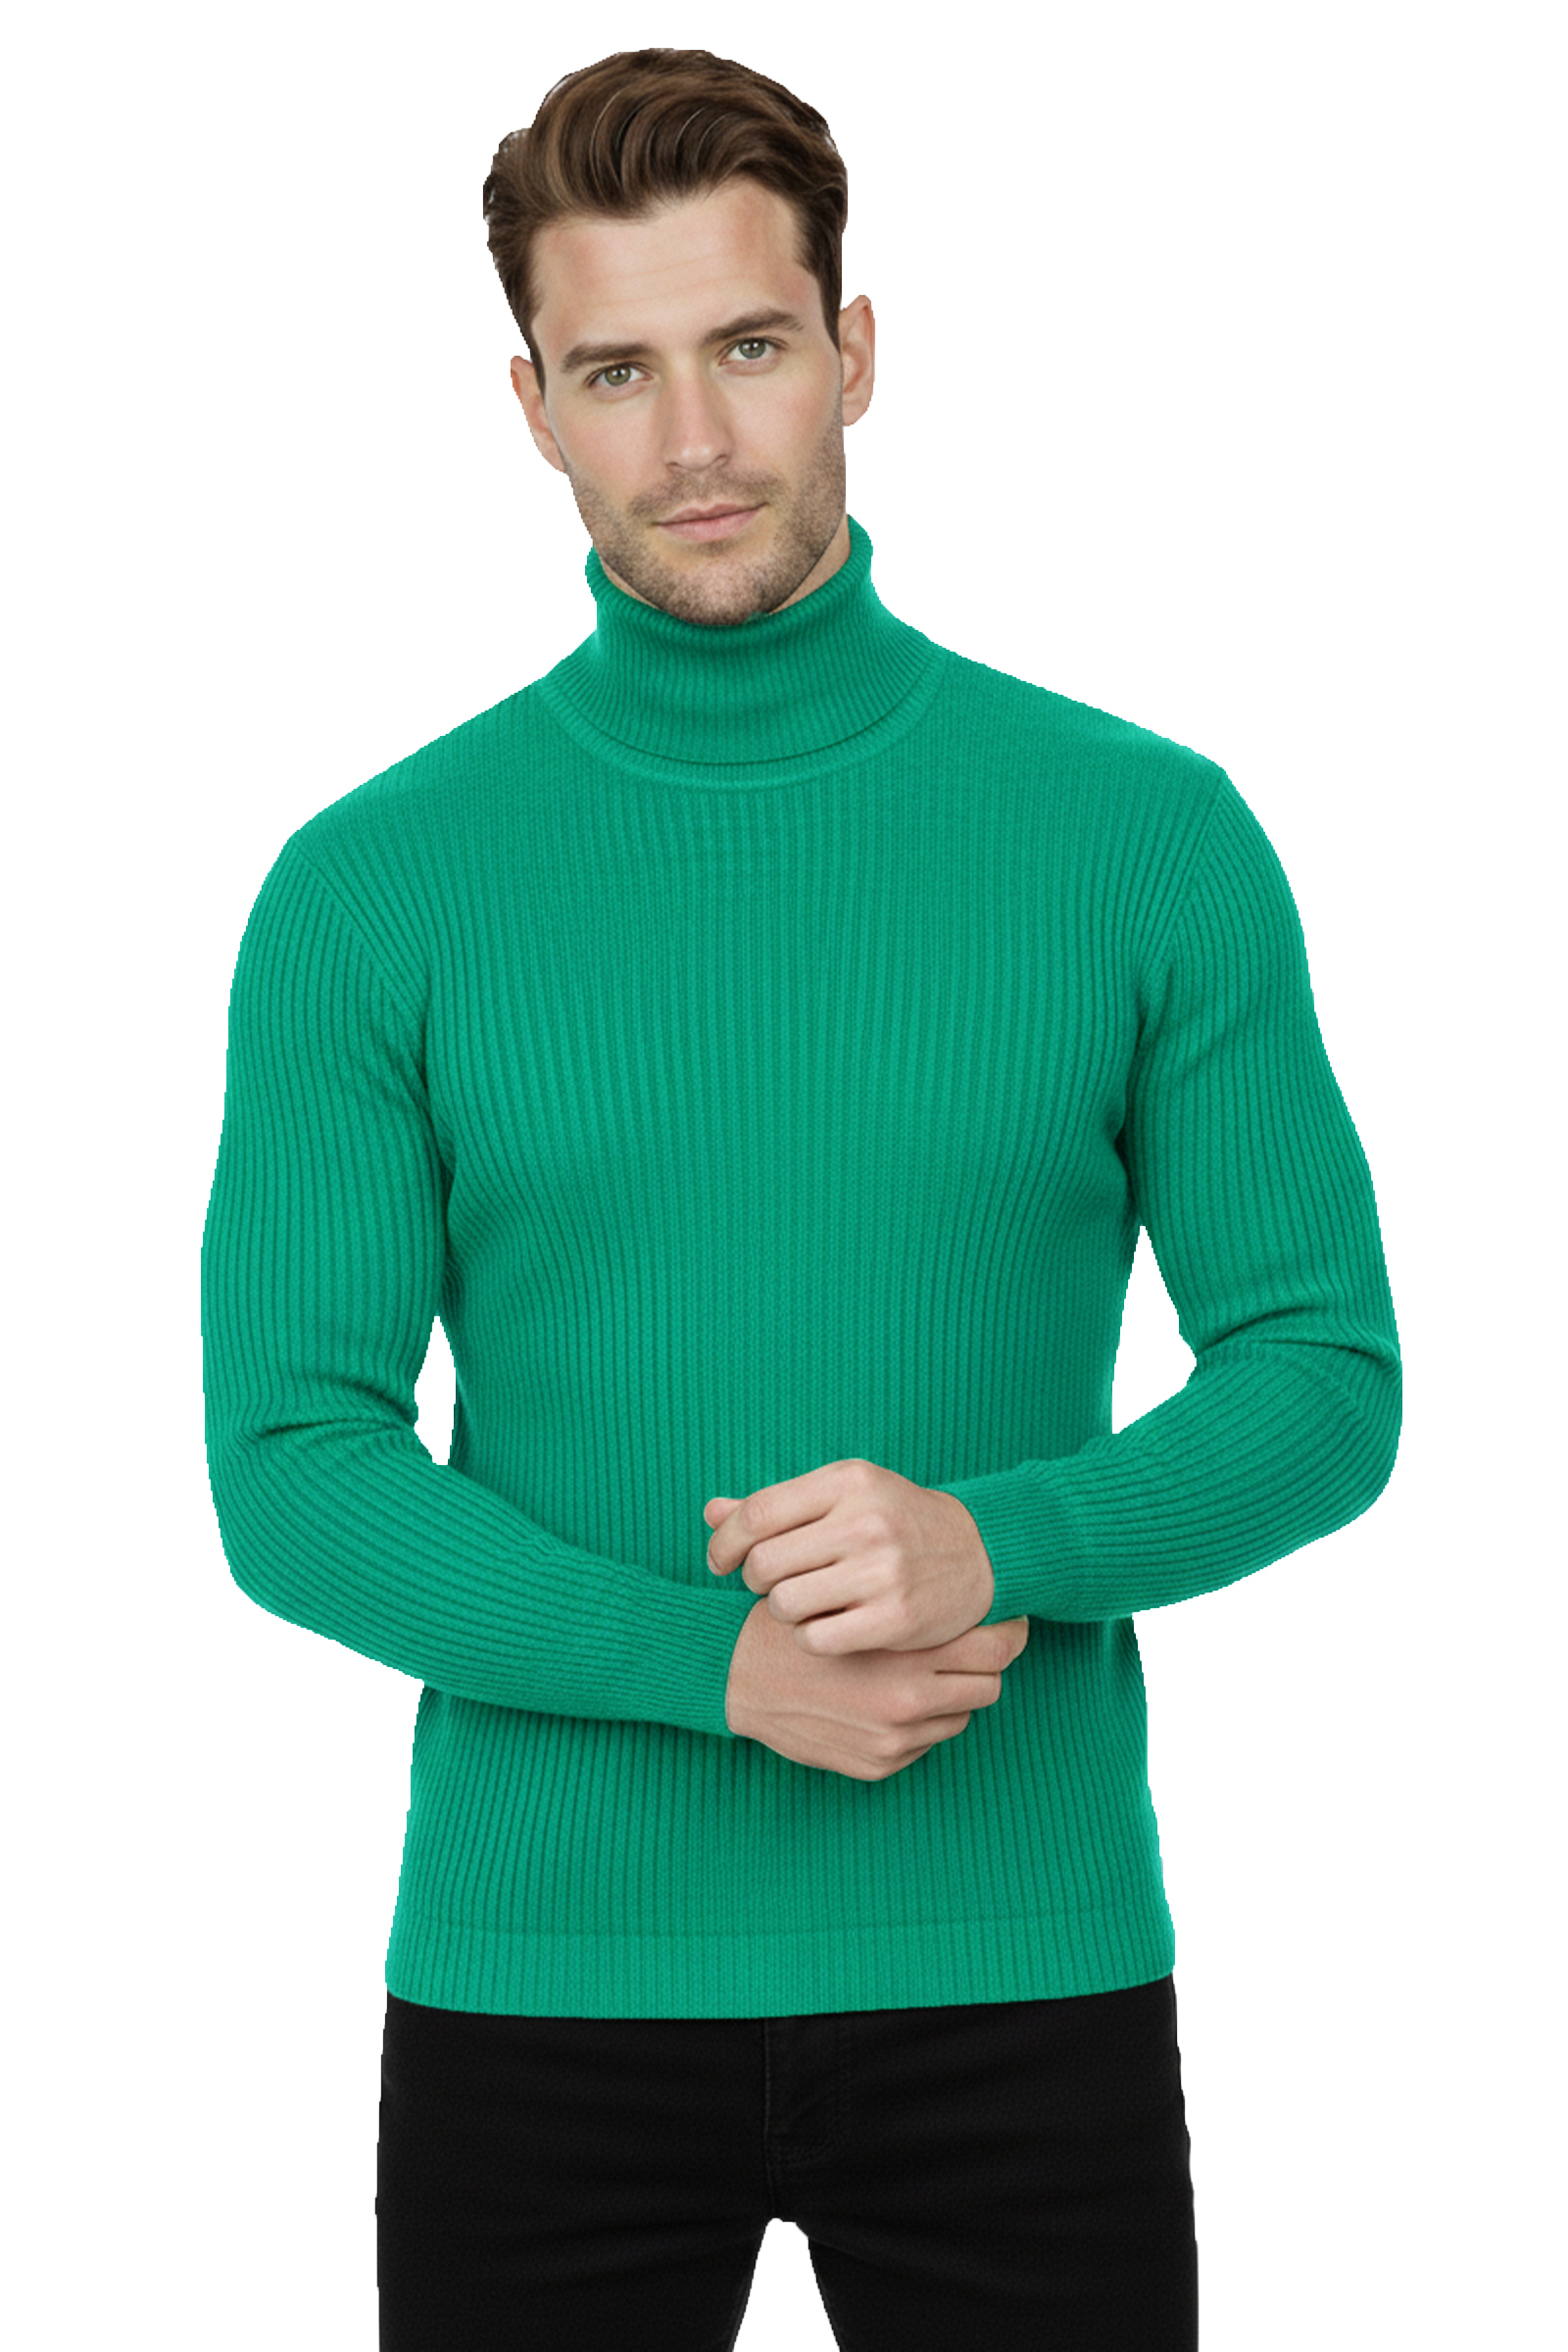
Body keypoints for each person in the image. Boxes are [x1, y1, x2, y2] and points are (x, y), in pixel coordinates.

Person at [200, 45, 1401, 2352]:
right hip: (540, 1992)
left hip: (1017, 1979)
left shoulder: (1139, 836)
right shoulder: (371, 890)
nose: (693, 440)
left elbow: (1320, 1374)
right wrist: (715, 1670)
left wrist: (996, 1544)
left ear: (854, 349)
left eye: (746, 345)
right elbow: (290, 1464)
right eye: (614, 371)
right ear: (531, 407)